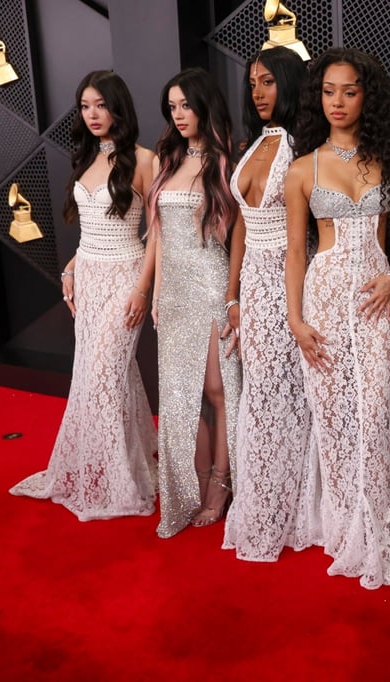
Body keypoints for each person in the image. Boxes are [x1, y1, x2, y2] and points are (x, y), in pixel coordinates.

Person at [284, 47, 390, 589]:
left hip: (373, 303)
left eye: (350, 91)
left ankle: (374, 524)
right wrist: (295, 320)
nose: (338, 101)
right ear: (318, 97)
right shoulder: (302, 168)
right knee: (335, 418)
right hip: (321, 299)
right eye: (328, 91)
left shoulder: (388, 159)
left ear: (367, 97)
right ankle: (343, 526)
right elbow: (296, 251)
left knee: (373, 414)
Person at [10, 71, 157, 520]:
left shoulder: (145, 159)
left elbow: (159, 233)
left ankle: (115, 482)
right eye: (86, 106)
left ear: (119, 108)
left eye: (101, 105)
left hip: (126, 277)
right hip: (89, 278)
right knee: (101, 374)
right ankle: (128, 464)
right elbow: (91, 231)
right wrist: (70, 268)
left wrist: (142, 288)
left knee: (105, 377)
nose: (93, 115)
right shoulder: (86, 157)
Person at [222, 46, 321, 561]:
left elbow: (308, 239)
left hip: (292, 282)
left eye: (268, 82)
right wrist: (232, 294)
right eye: (252, 83)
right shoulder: (252, 143)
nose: (258, 92)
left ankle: (297, 504)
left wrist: (297, 305)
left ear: (289, 83)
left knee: (292, 395)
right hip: (253, 287)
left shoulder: (306, 148)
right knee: (261, 392)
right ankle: (263, 499)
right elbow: (240, 223)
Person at [148, 67, 242, 538]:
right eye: (172, 107)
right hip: (176, 293)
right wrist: (157, 292)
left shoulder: (225, 162)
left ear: (204, 105)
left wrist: (231, 298)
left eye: (186, 105)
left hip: (209, 284)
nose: (179, 115)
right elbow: (160, 237)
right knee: (180, 396)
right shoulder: (168, 160)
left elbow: (234, 237)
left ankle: (221, 486)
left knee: (216, 391)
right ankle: (197, 483)